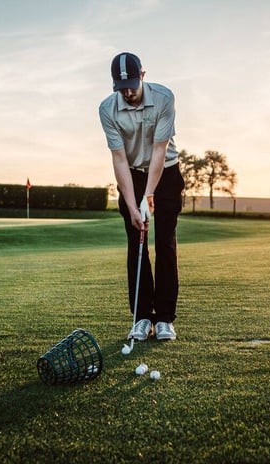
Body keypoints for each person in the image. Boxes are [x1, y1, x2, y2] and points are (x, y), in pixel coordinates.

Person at [99, 52, 185, 342]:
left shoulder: (163, 98)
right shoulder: (107, 109)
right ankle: (141, 318)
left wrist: (148, 196)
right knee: (136, 242)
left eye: (132, 85)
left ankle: (164, 320)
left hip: (167, 173)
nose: (128, 92)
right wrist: (132, 202)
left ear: (143, 77)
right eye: (121, 87)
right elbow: (119, 159)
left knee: (165, 242)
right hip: (132, 175)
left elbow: (159, 151)